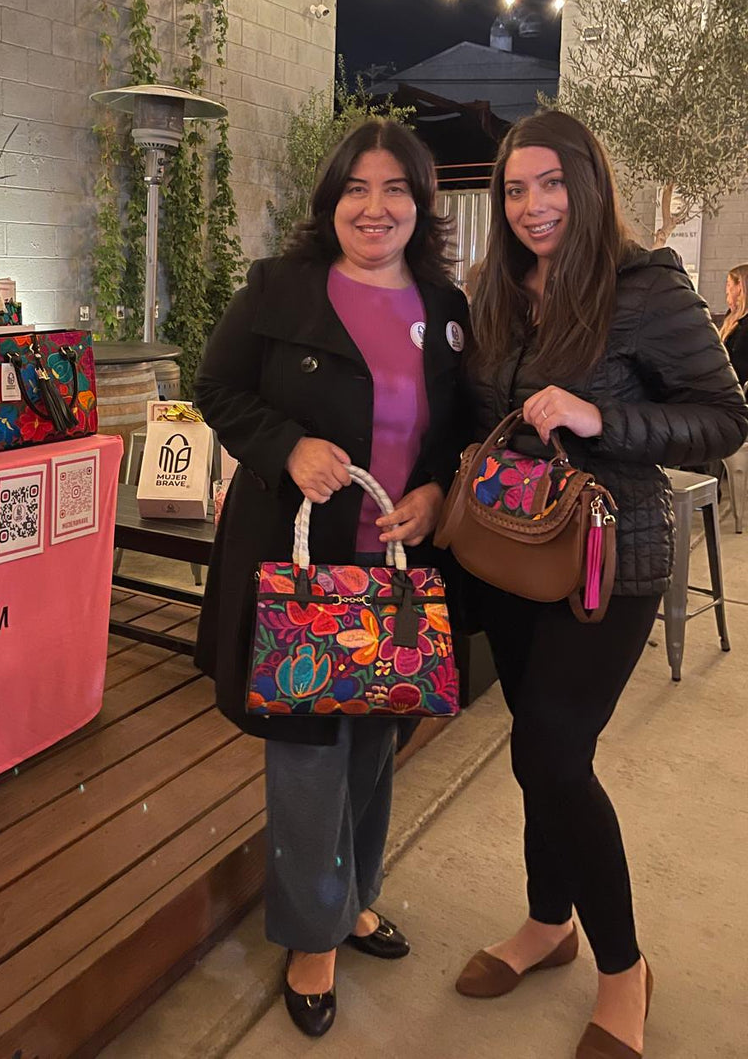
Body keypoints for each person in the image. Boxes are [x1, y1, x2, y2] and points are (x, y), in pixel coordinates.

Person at [456, 110, 748, 1059]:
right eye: (514, 187)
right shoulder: (496, 285)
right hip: (511, 550)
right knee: (533, 747)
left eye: (551, 182)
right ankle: (549, 923)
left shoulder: (644, 282)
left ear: (587, 181)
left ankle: (624, 967)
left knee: (552, 751)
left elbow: (721, 417)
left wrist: (600, 417)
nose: (533, 206)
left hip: (609, 559)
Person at [195, 119, 469, 1038]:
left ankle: (353, 894)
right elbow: (219, 387)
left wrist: (434, 492)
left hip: (395, 563)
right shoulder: (281, 289)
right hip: (301, 561)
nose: (375, 206)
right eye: (357, 187)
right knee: (310, 750)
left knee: (376, 739)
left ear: (420, 205)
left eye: (396, 189)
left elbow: (457, 432)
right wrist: (288, 444)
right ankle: (312, 935)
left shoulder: (446, 306)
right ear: (331, 202)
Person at [719, 264, 748, 385]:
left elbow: (738, 365)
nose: (726, 290)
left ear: (740, 287)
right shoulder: (731, 315)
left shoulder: (745, 326)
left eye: (729, 284)